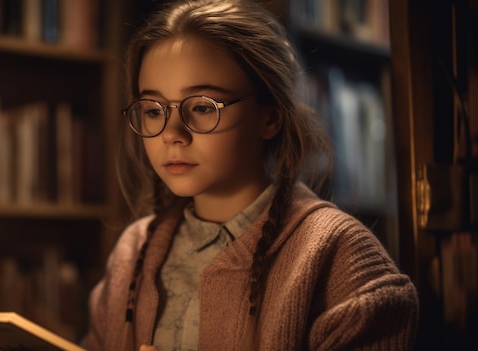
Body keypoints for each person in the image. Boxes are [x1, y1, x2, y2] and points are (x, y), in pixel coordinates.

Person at [81, 0, 419, 350]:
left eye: (201, 107)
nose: (172, 133)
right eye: (153, 110)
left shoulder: (337, 255)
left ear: (269, 118)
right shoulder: (135, 250)